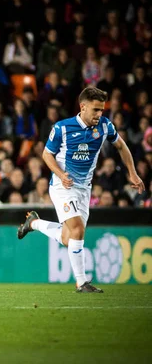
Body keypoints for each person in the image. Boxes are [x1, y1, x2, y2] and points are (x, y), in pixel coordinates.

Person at [17, 87, 145, 293]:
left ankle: (34, 223)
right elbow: (47, 155)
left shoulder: (105, 126)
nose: (99, 115)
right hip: (62, 186)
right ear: (82, 107)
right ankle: (81, 282)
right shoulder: (62, 128)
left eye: (102, 110)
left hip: (84, 189)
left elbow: (121, 146)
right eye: (95, 110)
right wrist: (61, 174)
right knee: (78, 230)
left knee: (70, 238)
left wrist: (132, 172)